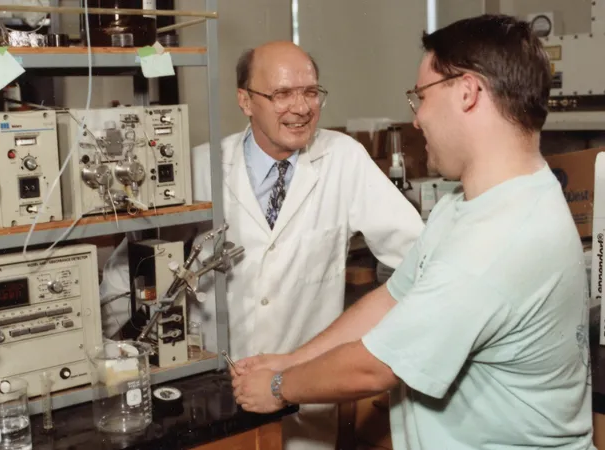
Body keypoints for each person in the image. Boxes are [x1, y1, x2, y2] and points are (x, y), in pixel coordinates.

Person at [231, 14, 595, 450]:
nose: (417, 119)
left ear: (467, 93)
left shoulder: (501, 238)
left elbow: (376, 367)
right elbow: (392, 298)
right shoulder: (467, 206)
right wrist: (289, 359)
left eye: (420, 97)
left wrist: (278, 387)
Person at [99, 40, 424, 450]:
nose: (302, 107)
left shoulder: (344, 159)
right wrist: (118, 362)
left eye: (310, 92)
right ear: (245, 101)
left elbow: (419, 258)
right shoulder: (201, 166)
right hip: (212, 392)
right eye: (282, 94)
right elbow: (125, 274)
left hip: (305, 395)